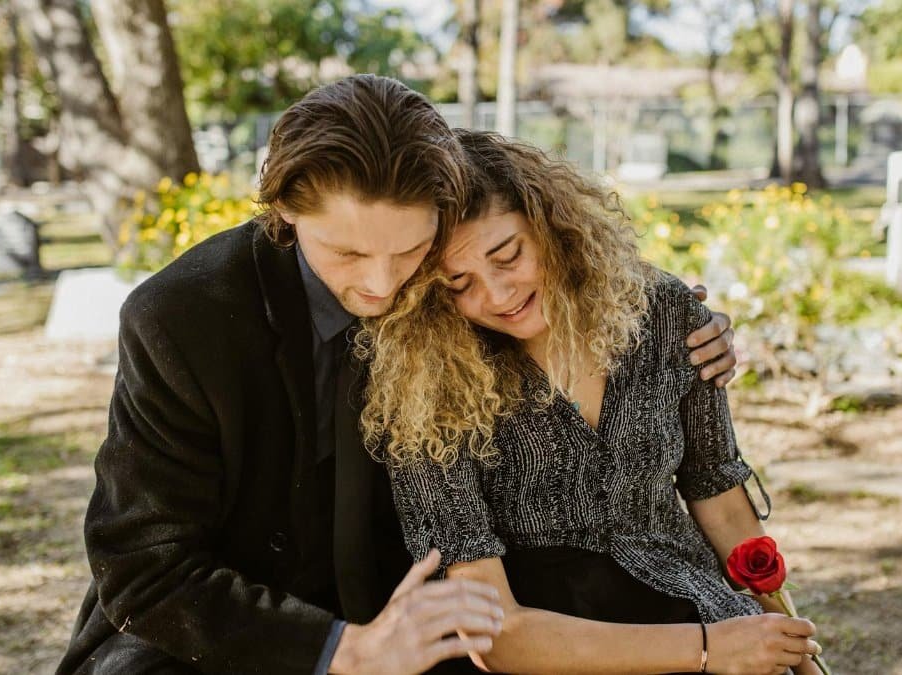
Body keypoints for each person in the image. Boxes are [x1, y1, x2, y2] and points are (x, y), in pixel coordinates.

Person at [56, 75, 741, 674]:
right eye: (348, 251)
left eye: (411, 249)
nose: (382, 283)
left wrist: (691, 324)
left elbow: (573, 276)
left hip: (421, 617)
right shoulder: (181, 318)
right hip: (230, 633)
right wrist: (339, 652)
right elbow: (143, 566)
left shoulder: (458, 286)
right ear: (285, 210)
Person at [359, 130, 823, 675]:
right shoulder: (423, 388)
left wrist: (794, 652)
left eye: (508, 256)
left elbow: (718, 495)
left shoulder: (666, 314)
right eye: (460, 284)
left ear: (549, 226)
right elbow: (494, 634)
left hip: (689, 602)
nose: (499, 294)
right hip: (553, 645)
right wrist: (708, 650)